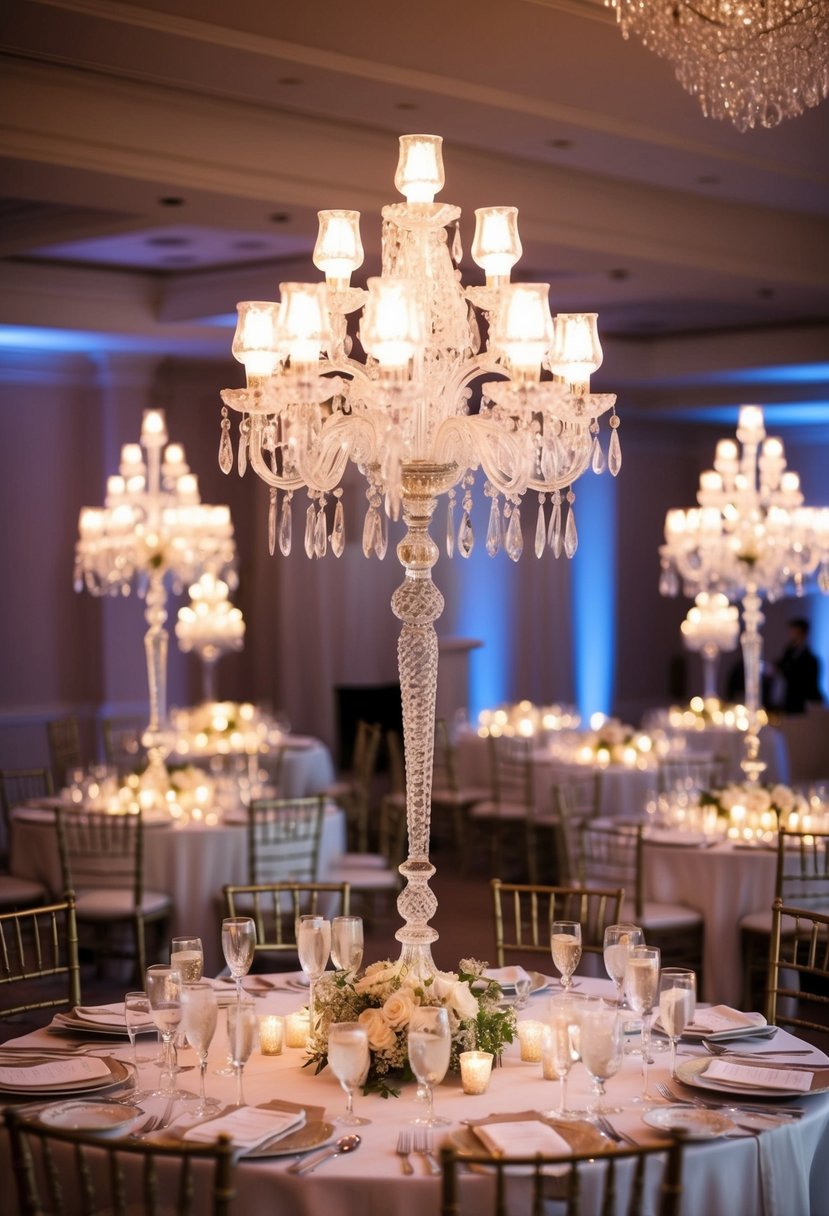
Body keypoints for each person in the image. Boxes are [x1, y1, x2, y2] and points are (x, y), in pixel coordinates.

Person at [774, 618, 824, 714]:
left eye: (794, 631)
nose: (791, 634)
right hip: (787, 701)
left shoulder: (811, 660)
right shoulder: (788, 652)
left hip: (801, 703)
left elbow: (808, 683)